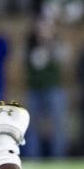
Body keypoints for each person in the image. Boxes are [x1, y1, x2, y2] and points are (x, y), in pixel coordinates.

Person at [22, 18, 70, 159]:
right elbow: (30, 63)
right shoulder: (30, 45)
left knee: (59, 124)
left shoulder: (57, 45)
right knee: (31, 125)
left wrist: (50, 45)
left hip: (53, 89)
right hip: (35, 89)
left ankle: (58, 157)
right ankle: (33, 157)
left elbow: (65, 58)